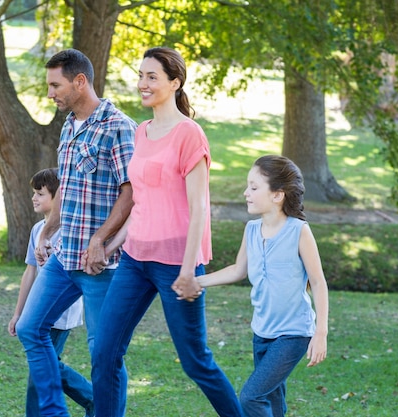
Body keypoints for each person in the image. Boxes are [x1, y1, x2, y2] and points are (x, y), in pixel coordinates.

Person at [90, 47, 243, 417]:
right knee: (104, 352)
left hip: (176, 264)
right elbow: (142, 202)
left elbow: (199, 208)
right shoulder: (141, 131)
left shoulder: (189, 134)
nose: (143, 84)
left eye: (152, 77)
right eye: (141, 75)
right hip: (134, 261)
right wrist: (113, 244)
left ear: (175, 83)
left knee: (195, 362)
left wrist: (189, 271)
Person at [15, 49, 137, 417]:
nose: (50, 93)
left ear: (80, 81)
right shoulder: (69, 125)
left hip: (102, 266)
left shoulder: (118, 126)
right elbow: (66, 185)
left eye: (56, 85)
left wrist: (100, 240)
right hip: (64, 256)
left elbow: (131, 191)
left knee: (106, 355)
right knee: (29, 328)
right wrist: (48, 231)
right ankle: (54, 413)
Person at [196, 155, 329, 416]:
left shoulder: (298, 231)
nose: (246, 193)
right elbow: (238, 270)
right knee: (273, 402)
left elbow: (318, 281)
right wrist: (197, 281)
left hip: (293, 333)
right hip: (262, 332)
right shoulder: (251, 230)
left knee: (250, 398)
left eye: (254, 187)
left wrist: (320, 333)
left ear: (278, 195)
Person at [8, 167, 94, 417]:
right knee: (45, 366)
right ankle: (93, 399)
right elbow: (30, 273)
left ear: (58, 198)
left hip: (60, 313)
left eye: (40, 193)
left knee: (41, 370)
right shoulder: (38, 230)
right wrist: (18, 313)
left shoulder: (70, 232)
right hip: (36, 309)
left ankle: (92, 399)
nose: (34, 198)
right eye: (34, 193)